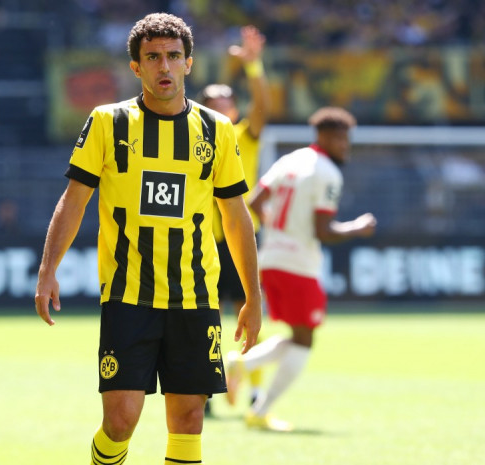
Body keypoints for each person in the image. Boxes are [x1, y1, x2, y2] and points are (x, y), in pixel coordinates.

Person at [34, 13, 262, 464]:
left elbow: (236, 218)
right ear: (136, 67)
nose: (165, 66)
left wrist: (253, 296)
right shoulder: (108, 122)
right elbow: (73, 201)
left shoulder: (216, 130)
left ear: (189, 64)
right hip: (128, 295)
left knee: (189, 419)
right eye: (153, 57)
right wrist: (47, 270)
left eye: (174, 56)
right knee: (120, 421)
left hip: (195, 296)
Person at [225, 106, 377, 431]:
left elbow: (254, 202)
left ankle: (244, 372)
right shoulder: (328, 173)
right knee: (305, 340)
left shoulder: (290, 160)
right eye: (340, 139)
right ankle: (257, 403)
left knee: (299, 336)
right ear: (323, 136)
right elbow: (324, 231)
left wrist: (278, 229)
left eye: (347, 140)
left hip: (270, 257)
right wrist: (358, 227)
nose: (345, 146)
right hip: (298, 263)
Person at [198, 24, 270, 414]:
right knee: (207, 318)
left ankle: (256, 391)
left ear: (235, 110)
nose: (222, 106)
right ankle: (207, 387)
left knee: (250, 311)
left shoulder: (244, 136)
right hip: (203, 240)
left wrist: (253, 67)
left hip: (242, 237)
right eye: (213, 102)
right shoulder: (192, 141)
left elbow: (263, 108)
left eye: (227, 101)